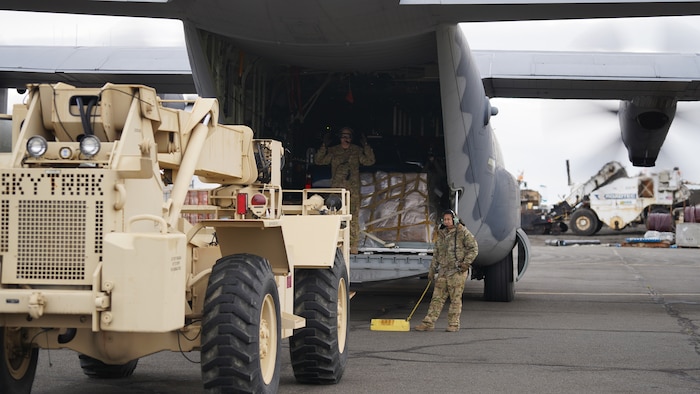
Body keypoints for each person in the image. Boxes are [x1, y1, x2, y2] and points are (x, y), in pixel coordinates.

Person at [415, 209, 479, 332]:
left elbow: (474, 248)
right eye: (445, 220)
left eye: (449, 219)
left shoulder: (462, 232)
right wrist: (432, 270)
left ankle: (453, 324)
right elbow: (437, 253)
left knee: (455, 299)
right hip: (444, 271)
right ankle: (428, 322)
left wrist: (466, 263)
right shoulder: (442, 234)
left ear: (454, 220)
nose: (447, 221)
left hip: (457, 271)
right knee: (437, 298)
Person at [315, 127, 375, 253]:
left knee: (353, 218)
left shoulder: (357, 151)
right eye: (343, 136)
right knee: (334, 216)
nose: (346, 139)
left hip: (352, 191)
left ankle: (352, 246)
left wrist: (366, 146)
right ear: (339, 137)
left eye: (348, 136)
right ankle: (335, 245)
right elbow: (319, 160)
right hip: (337, 190)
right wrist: (324, 146)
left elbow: (369, 161)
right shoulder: (333, 151)